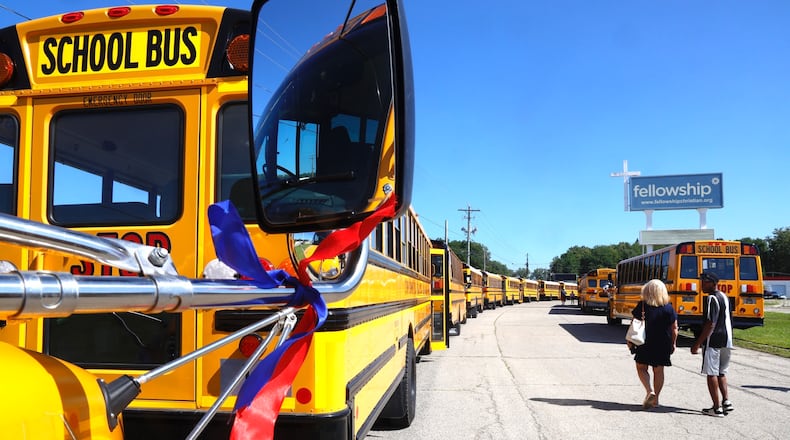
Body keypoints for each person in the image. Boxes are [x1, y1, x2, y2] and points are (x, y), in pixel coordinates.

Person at [626, 279, 678, 409]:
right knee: (659, 370)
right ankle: (656, 399)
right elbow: (674, 329)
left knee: (641, 367)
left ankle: (650, 391)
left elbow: (634, 324)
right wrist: (673, 343)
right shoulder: (669, 308)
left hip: (644, 341)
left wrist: (629, 341)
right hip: (663, 343)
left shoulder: (642, 306)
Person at [691, 271, 734, 417]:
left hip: (713, 340)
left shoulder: (711, 299)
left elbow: (710, 323)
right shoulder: (724, 296)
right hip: (727, 340)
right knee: (721, 372)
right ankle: (726, 401)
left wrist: (697, 343)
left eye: (704, 282)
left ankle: (716, 408)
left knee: (711, 373)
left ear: (713, 283)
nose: (701, 284)